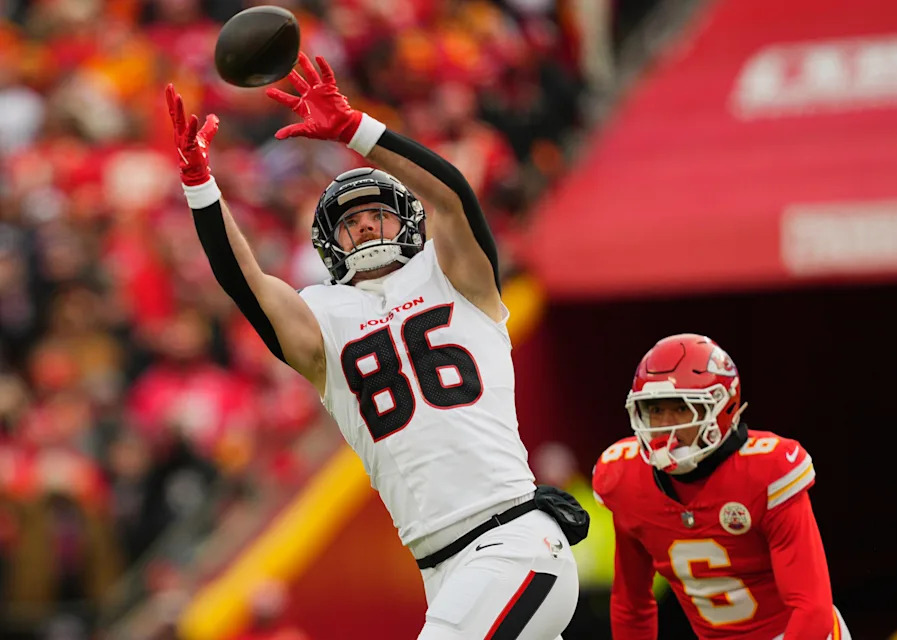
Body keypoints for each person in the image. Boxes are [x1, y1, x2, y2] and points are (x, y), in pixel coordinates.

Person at [164, 51, 584, 639]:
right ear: (327, 244)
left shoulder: (455, 277)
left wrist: (356, 130)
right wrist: (201, 188)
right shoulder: (323, 320)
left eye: (376, 213)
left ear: (407, 220)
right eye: (349, 220)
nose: (362, 224)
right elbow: (247, 283)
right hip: (443, 566)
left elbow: (454, 195)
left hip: (510, 539)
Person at [592, 333, 851, 639]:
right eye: (655, 410)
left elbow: (811, 609)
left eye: (680, 408)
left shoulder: (766, 471)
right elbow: (631, 605)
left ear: (721, 407)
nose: (665, 425)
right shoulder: (624, 477)